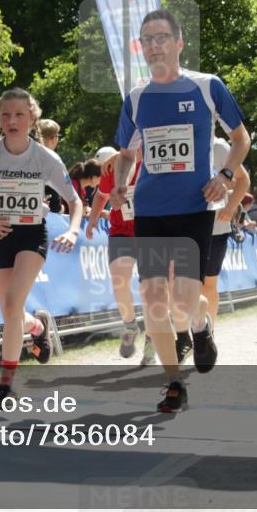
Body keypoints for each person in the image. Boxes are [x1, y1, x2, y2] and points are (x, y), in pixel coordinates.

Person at [111, 8, 250, 413]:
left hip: (194, 208)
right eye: (146, 40)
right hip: (150, 211)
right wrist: (120, 183)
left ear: (179, 43)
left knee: (183, 304)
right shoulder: (136, 98)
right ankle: (173, 382)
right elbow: (126, 153)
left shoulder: (207, 87)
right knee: (154, 299)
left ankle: (201, 326)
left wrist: (225, 175)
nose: (153, 46)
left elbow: (241, 139)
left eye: (161, 38)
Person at [0, 88, 82, 402]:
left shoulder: (45, 158)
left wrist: (73, 231)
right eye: (5, 115)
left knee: (12, 303)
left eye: (19, 115)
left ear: (32, 117)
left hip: (31, 234)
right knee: (11, 311)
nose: (12, 121)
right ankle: (36, 327)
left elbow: (75, 200)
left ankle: (5, 384)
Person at [86, 149, 155, 365]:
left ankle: (152, 338)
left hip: (150, 231)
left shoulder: (156, 160)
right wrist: (93, 219)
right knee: (119, 279)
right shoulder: (115, 165)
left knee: (149, 288)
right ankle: (130, 325)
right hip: (121, 230)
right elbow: (101, 194)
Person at [202, 137, 251, 330]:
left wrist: (231, 207)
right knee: (183, 285)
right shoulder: (175, 136)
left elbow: (243, 180)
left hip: (216, 228)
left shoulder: (218, 147)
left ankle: (208, 333)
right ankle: (186, 332)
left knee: (208, 284)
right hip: (183, 225)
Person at [35, 119, 64, 213]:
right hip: (47, 214)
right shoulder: (53, 159)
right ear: (54, 139)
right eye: (58, 136)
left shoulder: (28, 156)